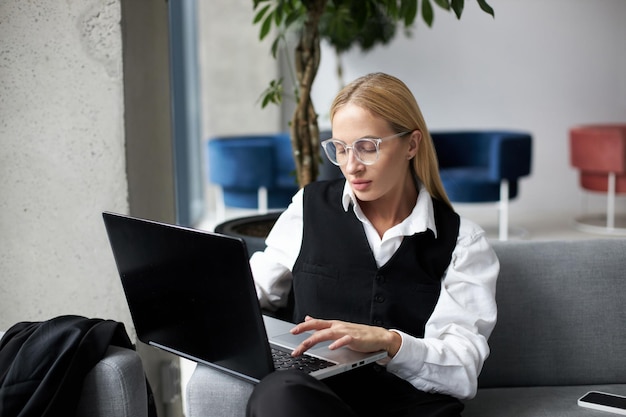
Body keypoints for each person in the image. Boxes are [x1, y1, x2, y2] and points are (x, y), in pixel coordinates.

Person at [246, 72, 499, 417]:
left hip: (411, 407)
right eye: (340, 148)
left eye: (367, 147)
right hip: (315, 400)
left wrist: (390, 342)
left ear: (411, 144)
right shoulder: (308, 209)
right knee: (278, 393)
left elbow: (462, 373)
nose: (351, 166)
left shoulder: (463, 242)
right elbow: (252, 290)